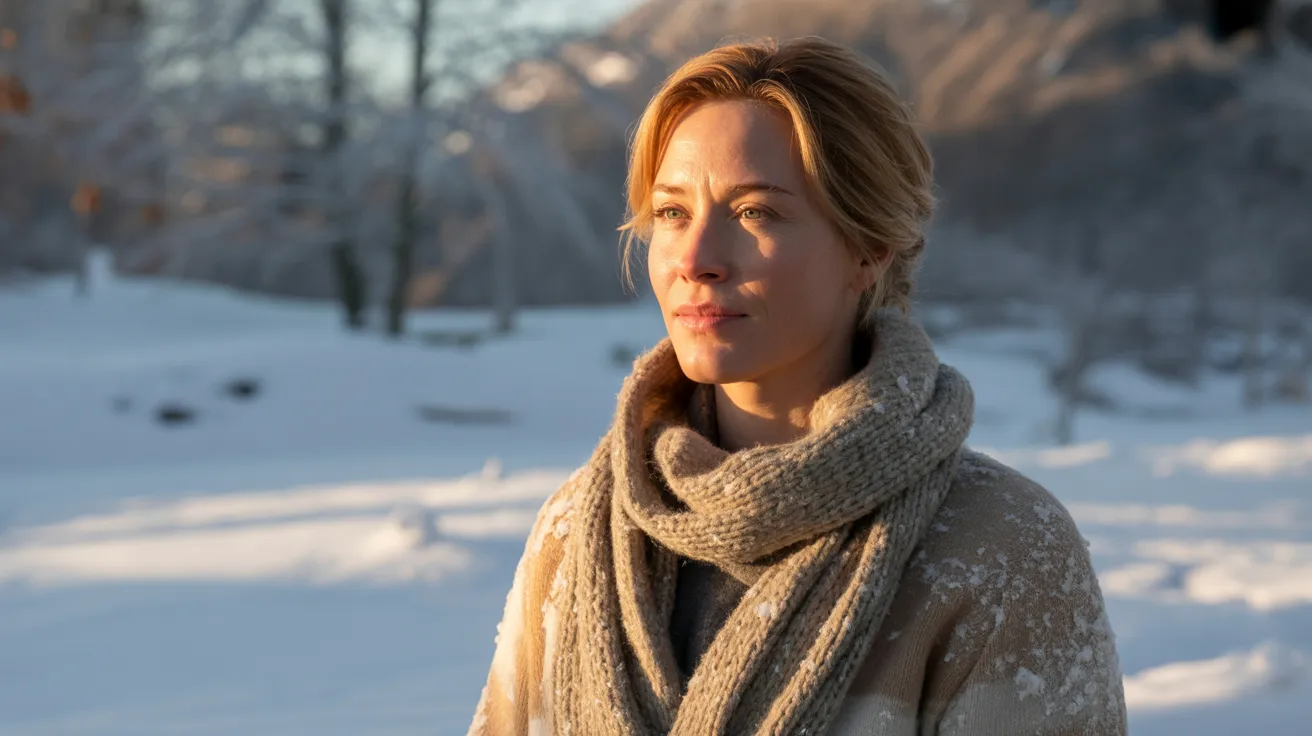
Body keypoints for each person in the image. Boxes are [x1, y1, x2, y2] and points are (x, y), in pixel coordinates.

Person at [468, 37, 1126, 735]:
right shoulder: (576, 532)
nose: (695, 259)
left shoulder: (997, 550)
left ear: (869, 247)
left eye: (756, 213)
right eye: (671, 213)